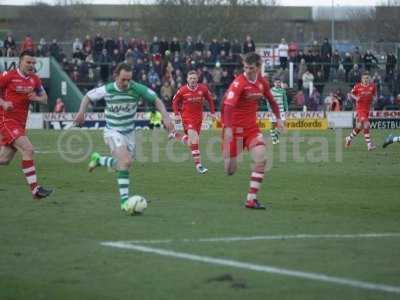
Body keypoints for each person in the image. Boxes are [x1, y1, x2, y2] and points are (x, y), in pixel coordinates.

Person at [73, 63, 174, 213]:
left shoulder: (137, 88)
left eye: (129, 79)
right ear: (116, 76)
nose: (127, 83)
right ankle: (125, 203)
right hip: (112, 131)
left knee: (123, 164)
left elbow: (156, 100)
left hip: (129, 133)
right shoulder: (107, 89)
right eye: (123, 80)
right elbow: (88, 96)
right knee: (126, 161)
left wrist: (166, 117)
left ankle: (99, 160)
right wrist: (81, 112)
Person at [222, 52, 286, 209]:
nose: (247, 70)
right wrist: (228, 128)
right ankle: (232, 152)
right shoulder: (238, 83)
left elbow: (272, 101)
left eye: (250, 68)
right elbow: (228, 107)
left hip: (251, 129)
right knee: (230, 170)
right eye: (245, 67)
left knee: (261, 158)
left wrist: (278, 119)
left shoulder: (262, 82)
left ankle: (251, 199)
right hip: (234, 129)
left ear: (258, 67)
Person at [0, 50, 53, 199]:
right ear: (20, 62)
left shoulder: (35, 79)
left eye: (33, 62)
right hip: (6, 120)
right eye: (28, 62)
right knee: (28, 149)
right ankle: (36, 190)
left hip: (20, 123)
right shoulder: (8, 76)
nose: (31, 65)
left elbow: (45, 99)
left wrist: (36, 97)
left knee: (4, 159)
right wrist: (3, 103)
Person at [170, 70, 216, 174]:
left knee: (191, 142)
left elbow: (210, 99)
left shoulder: (203, 88)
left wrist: (213, 113)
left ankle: (176, 134)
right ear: (187, 79)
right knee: (195, 141)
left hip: (199, 118)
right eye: (191, 78)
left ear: (197, 79)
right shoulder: (182, 90)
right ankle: (199, 166)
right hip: (187, 118)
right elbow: (174, 101)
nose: (193, 80)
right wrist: (176, 114)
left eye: (194, 78)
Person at [345, 71, 377, 151]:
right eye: (365, 78)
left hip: (367, 109)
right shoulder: (357, 86)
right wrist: (356, 98)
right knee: (366, 124)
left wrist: (374, 100)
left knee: (359, 126)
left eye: (367, 78)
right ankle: (369, 145)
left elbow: (374, 96)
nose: (366, 80)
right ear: (362, 79)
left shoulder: (373, 86)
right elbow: (350, 94)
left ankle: (348, 139)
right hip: (360, 109)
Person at [269, 78, 288, 144]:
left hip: (281, 110)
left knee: (283, 124)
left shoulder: (282, 90)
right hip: (273, 110)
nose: (278, 84)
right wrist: (269, 109)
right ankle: (274, 139)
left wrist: (287, 109)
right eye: (276, 82)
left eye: (279, 82)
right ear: (274, 83)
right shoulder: (271, 90)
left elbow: (285, 100)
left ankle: (275, 135)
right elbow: (268, 101)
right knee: (273, 124)